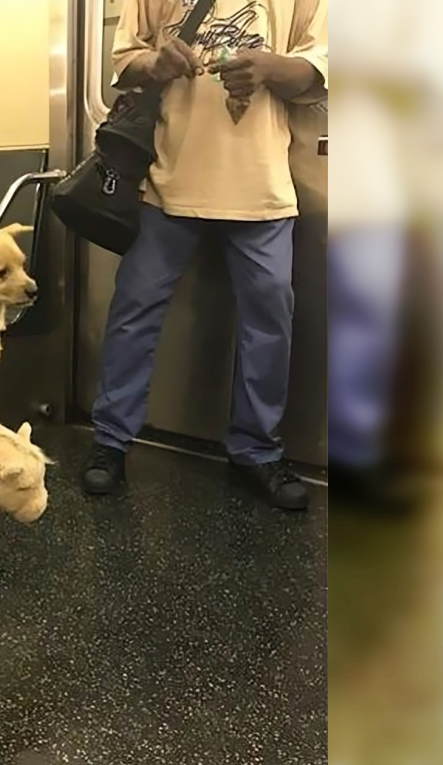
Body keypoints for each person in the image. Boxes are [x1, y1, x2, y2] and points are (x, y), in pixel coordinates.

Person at [83, 0, 328, 509]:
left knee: (271, 317)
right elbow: (124, 60)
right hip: (168, 182)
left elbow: (320, 64)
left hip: (261, 185)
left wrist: (269, 68)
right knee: (134, 310)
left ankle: (256, 448)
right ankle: (111, 440)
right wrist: (157, 63)